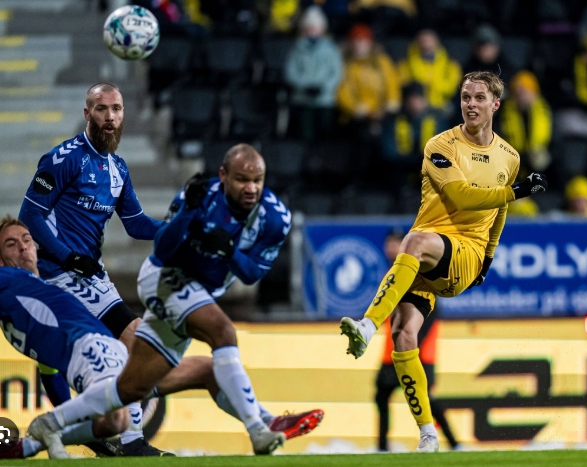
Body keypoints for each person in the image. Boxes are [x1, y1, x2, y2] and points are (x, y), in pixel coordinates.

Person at [26, 144, 323, 458]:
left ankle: (48, 428)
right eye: (241, 180)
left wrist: (229, 251)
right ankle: (260, 427)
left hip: (199, 292)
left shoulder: (276, 218)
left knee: (131, 387)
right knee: (223, 332)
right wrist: (188, 215)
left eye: (257, 180)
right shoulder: (199, 197)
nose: (250, 188)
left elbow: (251, 274)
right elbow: (163, 250)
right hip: (164, 278)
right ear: (223, 176)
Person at [340, 70, 548, 452]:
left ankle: (367, 326)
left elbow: (498, 213)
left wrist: (488, 257)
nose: (471, 104)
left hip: (464, 252)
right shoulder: (440, 145)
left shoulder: (509, 156)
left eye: (479, 98)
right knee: (403, 334)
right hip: (427, 257)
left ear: (495, 104)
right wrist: (516, 191)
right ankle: (428, 434)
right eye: (466, 97)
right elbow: (463, 196)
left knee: (413, 240)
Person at [17, 82, 173, 456]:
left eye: (116, 109)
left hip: (91, 275)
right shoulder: (63, 159)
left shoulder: (118, 168)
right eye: (101, 109)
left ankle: (97, 435)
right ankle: (127, 439)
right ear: (87, 114)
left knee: (127, 343)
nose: (110, 117)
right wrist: (67, 256)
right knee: (120, 342)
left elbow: (135, 223)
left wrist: (174, 229)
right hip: (58, 273)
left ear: (123, 114)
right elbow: (30, 214)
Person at [0, 216, 160, 459]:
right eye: (11, 244)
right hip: (90, 350)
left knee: (118, 418)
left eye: (27, 240)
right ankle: (130, 443)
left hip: (93, 353)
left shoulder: (32, 294)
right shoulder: (11, 281)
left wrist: (72, 422)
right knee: (165, 376)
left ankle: (32, 444)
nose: (23, 247)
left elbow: (50, 372)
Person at [374, 230, 461, 452]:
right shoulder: (392, 274)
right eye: (389, 244)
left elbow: (430, 311)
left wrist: (412, 343)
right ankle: (382, 446)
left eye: (395, 244)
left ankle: (453, 442)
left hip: (417, 353)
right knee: (381, 396)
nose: (391, 248)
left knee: (426, 399)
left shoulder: (417, 273)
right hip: (392, 355)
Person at [284, 5, 343, 142]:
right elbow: (291, 72)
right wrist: (305, 86)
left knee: (325, 134)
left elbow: (336, 73)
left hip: (325, 99)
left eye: (315, 28)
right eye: (309, 28)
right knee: (305, 134)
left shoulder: (331, 49)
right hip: (303, 98)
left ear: (322, 29)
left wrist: (324, 87)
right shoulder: (297, 48)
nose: (312, 32)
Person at [380, 81, 447, 191]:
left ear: (425, 101)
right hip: (401, 165)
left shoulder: (436, 120)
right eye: (411, 99)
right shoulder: (394, 121)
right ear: (405, 102)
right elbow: (388, 152)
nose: (414, 103)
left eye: (418, 99)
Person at [498, 71, 553, 177]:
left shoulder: (547, 112)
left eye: (526, 91)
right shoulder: (501, 114)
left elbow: (555, 143)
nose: (522, 96)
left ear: (535, 93)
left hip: (540, 167)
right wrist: (526, 158)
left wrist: (544, 154)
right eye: (518, 92)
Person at [397, 29, 462, 116]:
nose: (426, 43)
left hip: (440, 104)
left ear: (437, 41)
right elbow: (403, 81)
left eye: (429, 40)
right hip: (415, 106)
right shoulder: (407, 60)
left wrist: (434, 86)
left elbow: (452, 86)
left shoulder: (449, 61)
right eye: (423, 40)